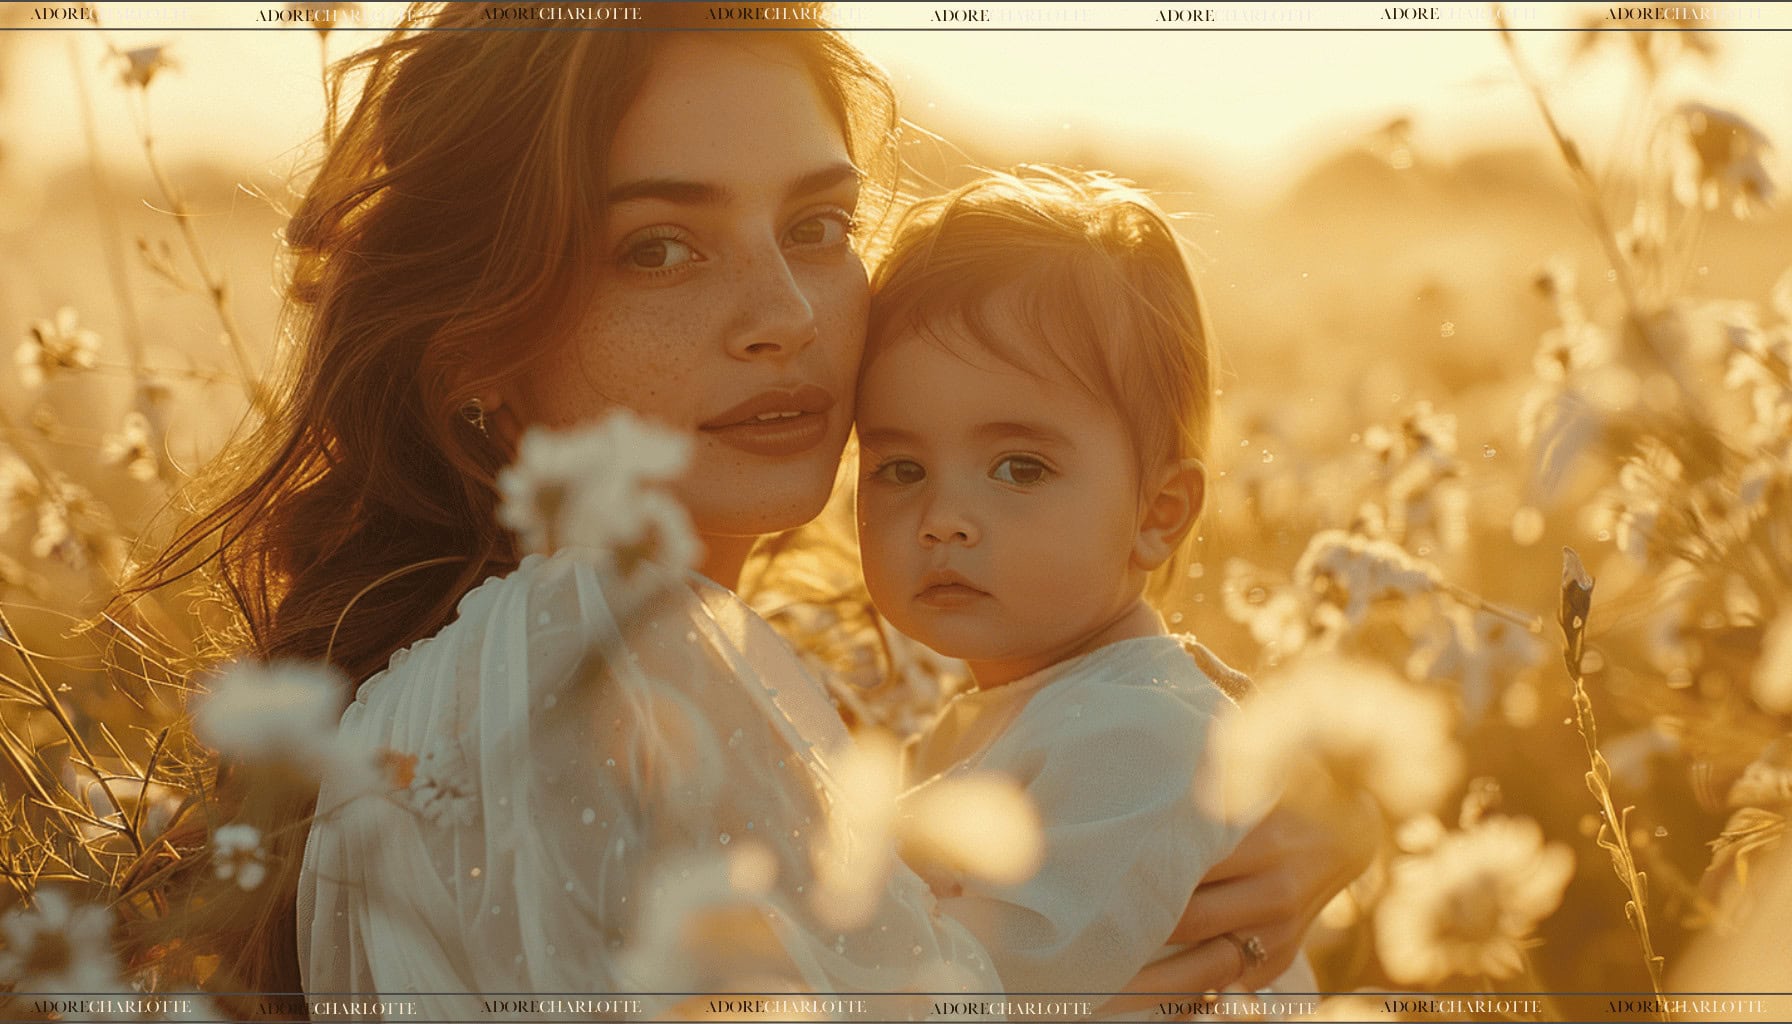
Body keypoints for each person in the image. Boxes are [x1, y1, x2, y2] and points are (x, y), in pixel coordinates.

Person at [124, 2, 1372, 1012]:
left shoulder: (556, 669)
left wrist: (1248, 790)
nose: (783, 314)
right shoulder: (594, 653)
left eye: (819, 224)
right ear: (474, 344)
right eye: (659, 247)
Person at [854, 167, 1316, 1002]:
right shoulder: (1015, 714)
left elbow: (1004, 982)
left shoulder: (1146, 735)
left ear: (1158, 513)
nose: (943, 518)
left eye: (1019, 468)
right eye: (900, 467)